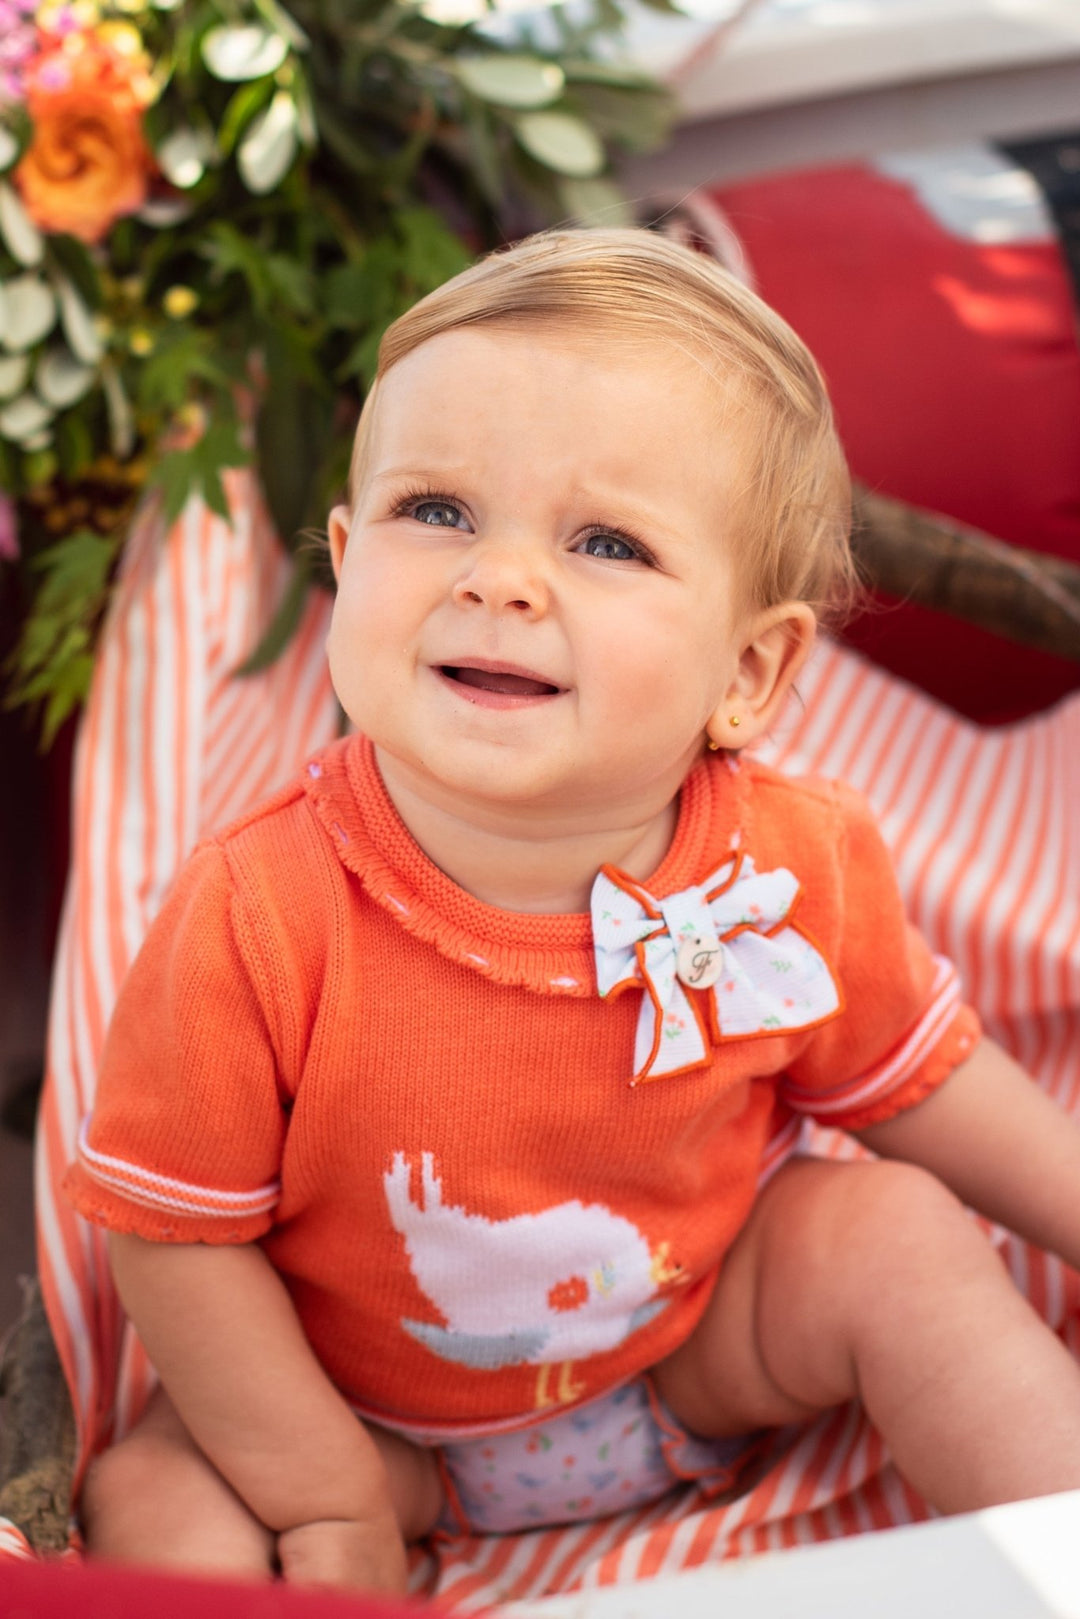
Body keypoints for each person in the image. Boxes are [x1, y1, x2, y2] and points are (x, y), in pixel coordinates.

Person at [62, 229, 1080, 1595]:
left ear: (752, 669)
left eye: (605, 541)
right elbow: (176, 1242)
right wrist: (328, 1496)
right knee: (151, 1491)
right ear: (347, 559)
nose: (501, 577)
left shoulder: (789, 860)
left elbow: (921, 1085)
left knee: (896, 1235)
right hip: (361, 1412)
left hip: (703, 1343)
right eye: (439, 510)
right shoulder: (256, 909)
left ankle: (1053, 1543)